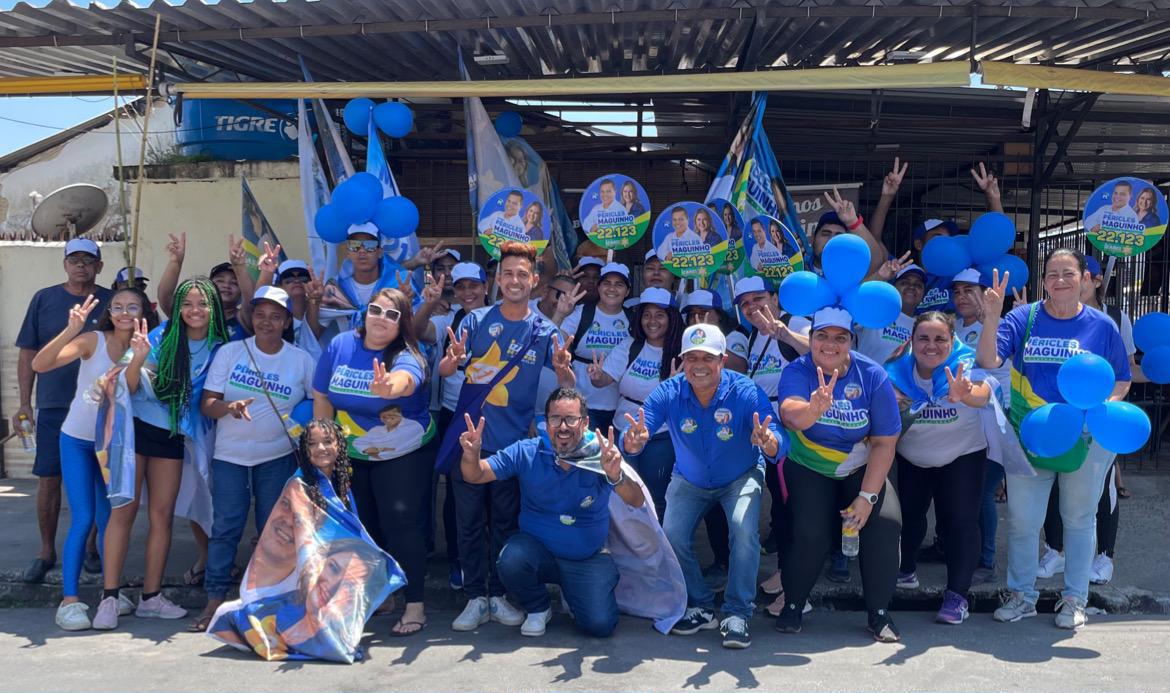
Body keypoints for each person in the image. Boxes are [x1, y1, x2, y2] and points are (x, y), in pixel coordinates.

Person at [977, 249, 1131, 629]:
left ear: (1085, 279)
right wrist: (992, 319)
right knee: (1023, 522)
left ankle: (1074, 599)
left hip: (1085, 439)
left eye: (1068, 273)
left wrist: (1099, 409)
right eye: (1051, 274)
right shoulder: (1022, 319)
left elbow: (1122, 380)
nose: (1059, 280)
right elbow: (988, 361)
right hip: (1031, 436)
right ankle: (1022, 596)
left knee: (1078, 520)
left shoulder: (1102, 326)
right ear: (1043, 281)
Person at [437, 241, 577, 632]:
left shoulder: (546, 330)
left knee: (504, 523)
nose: (515, 281)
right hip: (470, 442)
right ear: (497, 279)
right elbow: (448, 369)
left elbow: (567, 383)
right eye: (508, 274)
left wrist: (564, 368)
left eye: (523, 275)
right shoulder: (474, 321)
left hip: (513, 447)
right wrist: (453, 358)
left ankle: (497, 595)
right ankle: (473, 597)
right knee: (466, 522)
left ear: (534, 282)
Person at [622, 324, 787, 649]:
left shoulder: (745, 391)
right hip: (690, 478)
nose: (699, 365)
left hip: (740, 474)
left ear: (723, 360)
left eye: (707, 358)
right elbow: (641, 430)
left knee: (742, 529)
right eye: (692, 357)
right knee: (672, 533)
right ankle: (700, 605)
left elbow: (780, 440)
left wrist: (768, 442)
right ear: (682, 359)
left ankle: (737, 612)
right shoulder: (669, 391)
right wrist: (634, 442)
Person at [96, 277, 231, 629]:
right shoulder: (161, 335)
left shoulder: (222, 345)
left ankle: (151, 597)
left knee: (162, 515)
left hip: (172, 436)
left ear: (213, 307)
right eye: (187, 304)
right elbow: (124, 385)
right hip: (135, 429)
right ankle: (109, 597)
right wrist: (138, 358)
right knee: (122, 512)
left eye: (202, 303)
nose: (195, 310)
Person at [458, 388, 646, 637]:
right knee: (511, 559)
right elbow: (475, 474)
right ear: (545, 423)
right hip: (537, 552)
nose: (563, 426)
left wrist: (616, 474)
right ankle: (539, 606)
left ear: (585, 422)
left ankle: (578, 593)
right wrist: (471, 455)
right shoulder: (528, 451)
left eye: (571, 419)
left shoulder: (601, 455)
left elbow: (636, 499)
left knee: (600, 625)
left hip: (586, 558)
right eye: (555, 419)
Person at [186, 286, 316, 633]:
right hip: (229, 457)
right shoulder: (231, 353)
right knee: (225, 527)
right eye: (260, 314)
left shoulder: (301, 360)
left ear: (288, 321)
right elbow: (207, 403)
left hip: (276, 458)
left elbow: (318, 403)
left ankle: (265, 602)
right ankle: (214, 598)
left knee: (272, 532)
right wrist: (228, 408)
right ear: (251, 317)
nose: (266, 322)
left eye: (276, 316)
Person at [774, 306, 903, 642]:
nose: (829, 344)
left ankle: (878, 612)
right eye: (822, 336)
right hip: (810, 465)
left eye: (839, 338)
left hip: (859, 466)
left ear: (851, 341)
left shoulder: (872, 376)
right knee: (811, 533)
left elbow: (885, 443)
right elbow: (790, 416)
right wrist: (814, 408)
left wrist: (866, 498)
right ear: (811, 338)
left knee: (885, 523)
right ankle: (794, 604)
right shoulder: (797, 371)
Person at [313, 288, 436, 636]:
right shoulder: (340, 346)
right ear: (365, 313)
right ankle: (383, 595)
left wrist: (390, 387)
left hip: (403, 451)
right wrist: (323, 440)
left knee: (401, 523)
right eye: (375, 310)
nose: (381, 318)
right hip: (352, 452)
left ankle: (415, 604)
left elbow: (406, 379)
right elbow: (322, 394)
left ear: (402, 324)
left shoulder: (408, 354)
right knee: (365, 525)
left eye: (392, 314)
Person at [32, 287, 153, 630]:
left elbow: (128, 391)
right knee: (84, 517)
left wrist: (140, 357)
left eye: (132, 306)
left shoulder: (144, 346)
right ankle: (69, 601)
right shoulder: (92, 340)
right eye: (118, 306)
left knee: (107, 517)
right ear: (110, 312)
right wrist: (71, 329)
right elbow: (41, 363)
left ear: (143, 311)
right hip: (77, 441)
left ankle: (108, 597)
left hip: (111, 446)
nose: (125, 312)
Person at [1036, 254, 1144, 586]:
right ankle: (1057, 549)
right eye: (1057, 274)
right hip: (1058, 416)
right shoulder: (1045, 312)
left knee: (1103, 490)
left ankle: (1104, 556)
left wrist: (1107, 406)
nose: (1068, 281)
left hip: (1098, 419)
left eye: (1078, 275)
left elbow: (1124, 371)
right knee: (1054, 487)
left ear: (1092, 280)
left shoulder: (1115, 318)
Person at [15, 238, 113, 585]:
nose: (81, 265)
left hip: (101, 408)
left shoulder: (112, 300)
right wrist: (25, 403)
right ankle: (45, 551)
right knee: (49, 477)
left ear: (100, 266)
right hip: (54, 405)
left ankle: (91, 548)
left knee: (100, 480)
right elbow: (29, 353)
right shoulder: (44, 299)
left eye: (89, 260)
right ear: (65, 263)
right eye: (75, 259)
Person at [886, 312, 995, 625]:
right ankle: (905, 570)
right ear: (912, 340)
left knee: (960, 521)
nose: (931, 346)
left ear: (952, 340)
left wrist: (966, 394)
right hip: (912, 457)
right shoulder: (894, 369)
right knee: (908, 516)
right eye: (924, 338)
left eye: (939, 339)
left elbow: (985, 393)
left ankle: (957, 596)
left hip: (963, 454)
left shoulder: (966, 364)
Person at [732, 275, 809, 612]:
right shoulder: (751, 337)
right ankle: (785, 572)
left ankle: (796, 591)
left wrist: (782, 332)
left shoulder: (796, 322)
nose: (752, 307)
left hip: (796, 428)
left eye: (758, 298)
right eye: (745, 303)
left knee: (793, 506)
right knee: (781, 505)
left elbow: (818, 354)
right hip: (768, 429)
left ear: (776, 298)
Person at [586, 287, 683, 517]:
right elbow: (603, 381)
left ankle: (657, 548)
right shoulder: (630, 346)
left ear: (671, 319)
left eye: (660, 315)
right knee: (621, 492)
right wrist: (597, 377)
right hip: (623, 430)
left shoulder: (681, 351)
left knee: (655, 496)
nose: (652, 321)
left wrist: (673, 387)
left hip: (661, 435)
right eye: (647, 315)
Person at [950, 268, 1008, 584]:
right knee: (960, 491)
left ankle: (985, 561)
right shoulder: (954, 327)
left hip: (993, 421)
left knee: (982, 491)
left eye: (969, 290)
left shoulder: (998, 326)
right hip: (961, 423)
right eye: (956, 291)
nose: (961, 297)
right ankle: (950, 547)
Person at [560, 262, 632, 432]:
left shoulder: (633, 319)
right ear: (599, 288)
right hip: (581, 402)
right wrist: (560, 313)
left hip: (618, 406)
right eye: (607, 283)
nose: (612, 289)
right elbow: (558, 338)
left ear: (628, 291)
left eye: (619, 284)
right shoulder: (582, 313)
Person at [157, 233, 253, 342]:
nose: (226, 285)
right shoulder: (195, 316)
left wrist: (239, 267)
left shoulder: (245, 318)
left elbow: (250, 300)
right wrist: (175, 262)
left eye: (234, 283)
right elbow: (165, 297)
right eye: (220, 281)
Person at [251, 252, 325, 361]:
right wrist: (266, 273)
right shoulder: (274, 319)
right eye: (288, 279)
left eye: (303, 278)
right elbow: (258, 300)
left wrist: (316, 298)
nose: (296, 281)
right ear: (279, 286)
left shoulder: (324, 312)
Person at [855, 264, 924, 364]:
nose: (912, 287)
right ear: (893, 287)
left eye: (918, 285)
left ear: (923, 294)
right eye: (905, 282)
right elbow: (855, 299)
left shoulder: (923, 326)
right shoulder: (875, 311)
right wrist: (880, 276)